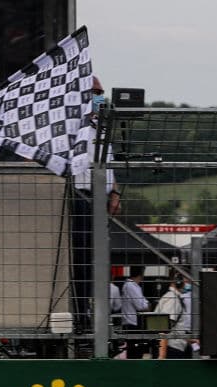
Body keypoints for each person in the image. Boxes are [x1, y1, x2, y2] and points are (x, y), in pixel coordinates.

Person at [70, 76, 121, 332]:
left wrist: (115, 192)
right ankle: (80, 314)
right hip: (80, 196)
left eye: (101, 92)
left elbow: (108, 163)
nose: (99, 96)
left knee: (97, 259)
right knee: (81, 259)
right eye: (94, 91)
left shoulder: (102, 125)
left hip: (101, 197)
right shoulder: (71, 124)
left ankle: (92, 313)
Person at [157, 275, 195, 359]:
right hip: (171, 350)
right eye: (187, 282)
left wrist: (189, 340)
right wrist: (162, 356)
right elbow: (163, 328)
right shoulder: (173, 300)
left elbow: (176, 327)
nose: (189, 285)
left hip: (174, 348)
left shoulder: (174, 297)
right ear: (179, 281)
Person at [119, 266, 150, 359]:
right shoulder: (130, 286)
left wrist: (146, 305)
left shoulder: (134, 286)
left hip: (134, 323)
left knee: (137, 352)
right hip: (132, 324)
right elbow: (141, 306)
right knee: (135, 354)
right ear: (141, 274)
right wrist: (148, 305)